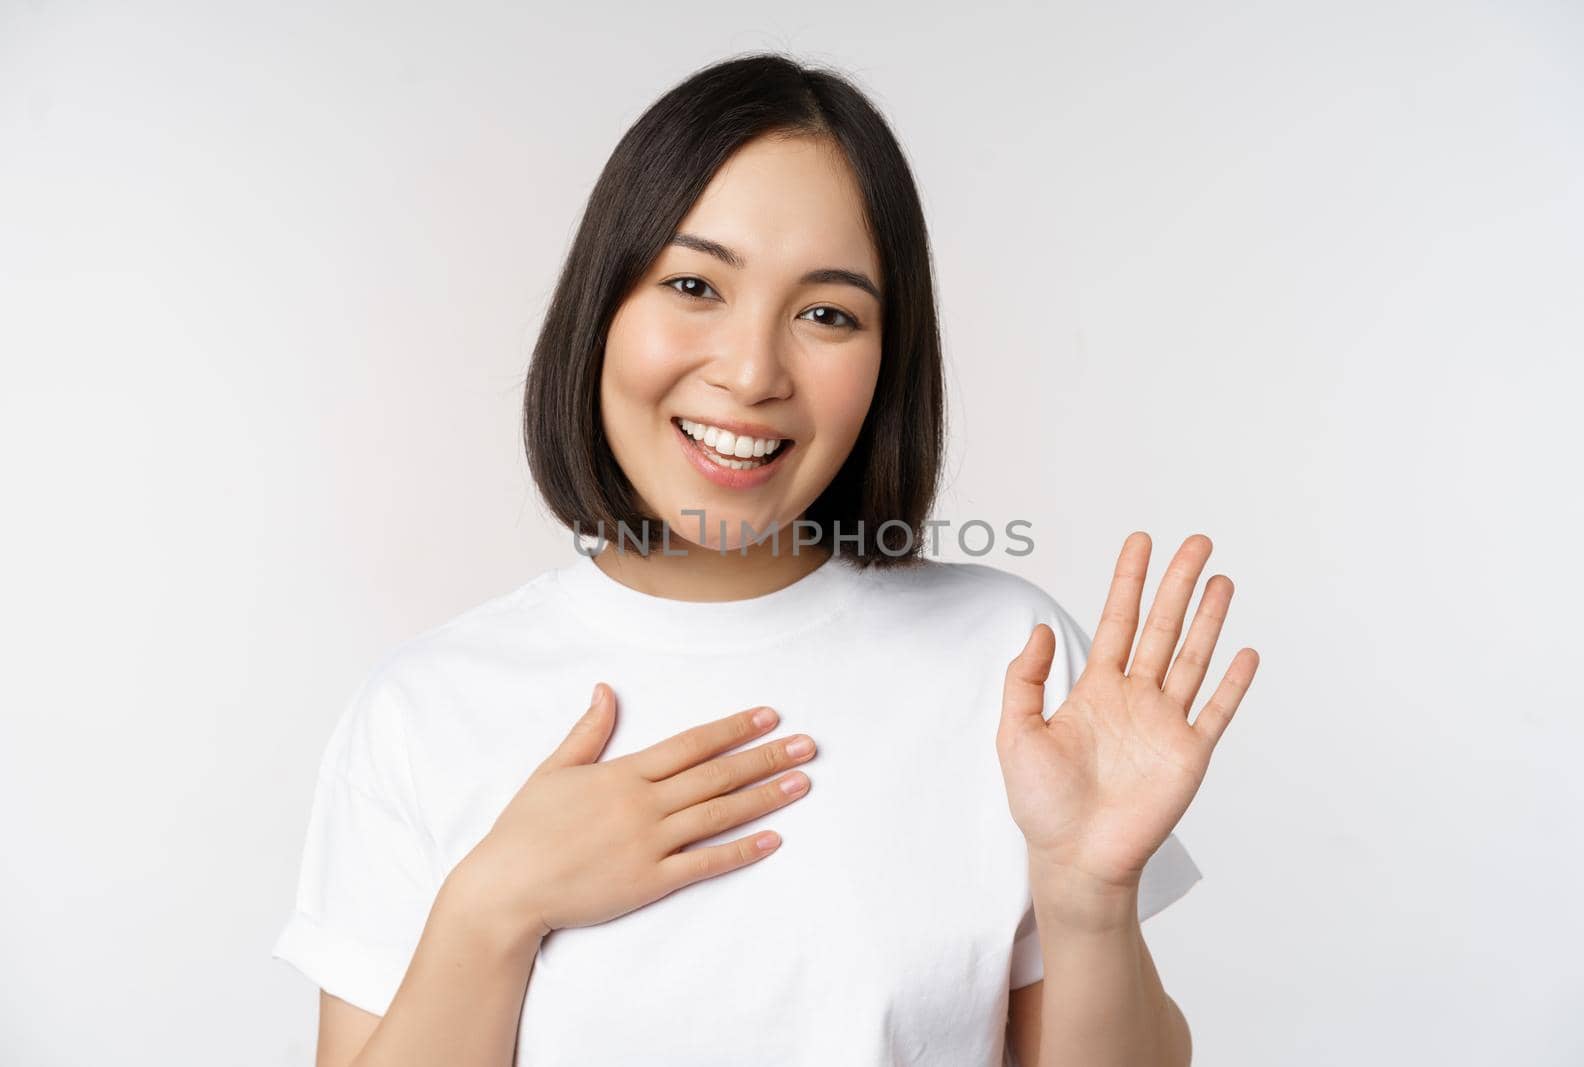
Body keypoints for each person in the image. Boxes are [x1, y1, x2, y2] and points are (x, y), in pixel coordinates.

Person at [270, 52, 1260, 1067]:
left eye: (827, 313)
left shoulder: (1007, 663)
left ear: (888, 361)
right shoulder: (427, 708)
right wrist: (493, 905)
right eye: (694, 284)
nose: (750, 372)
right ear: (600, 308)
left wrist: (1089, 900)